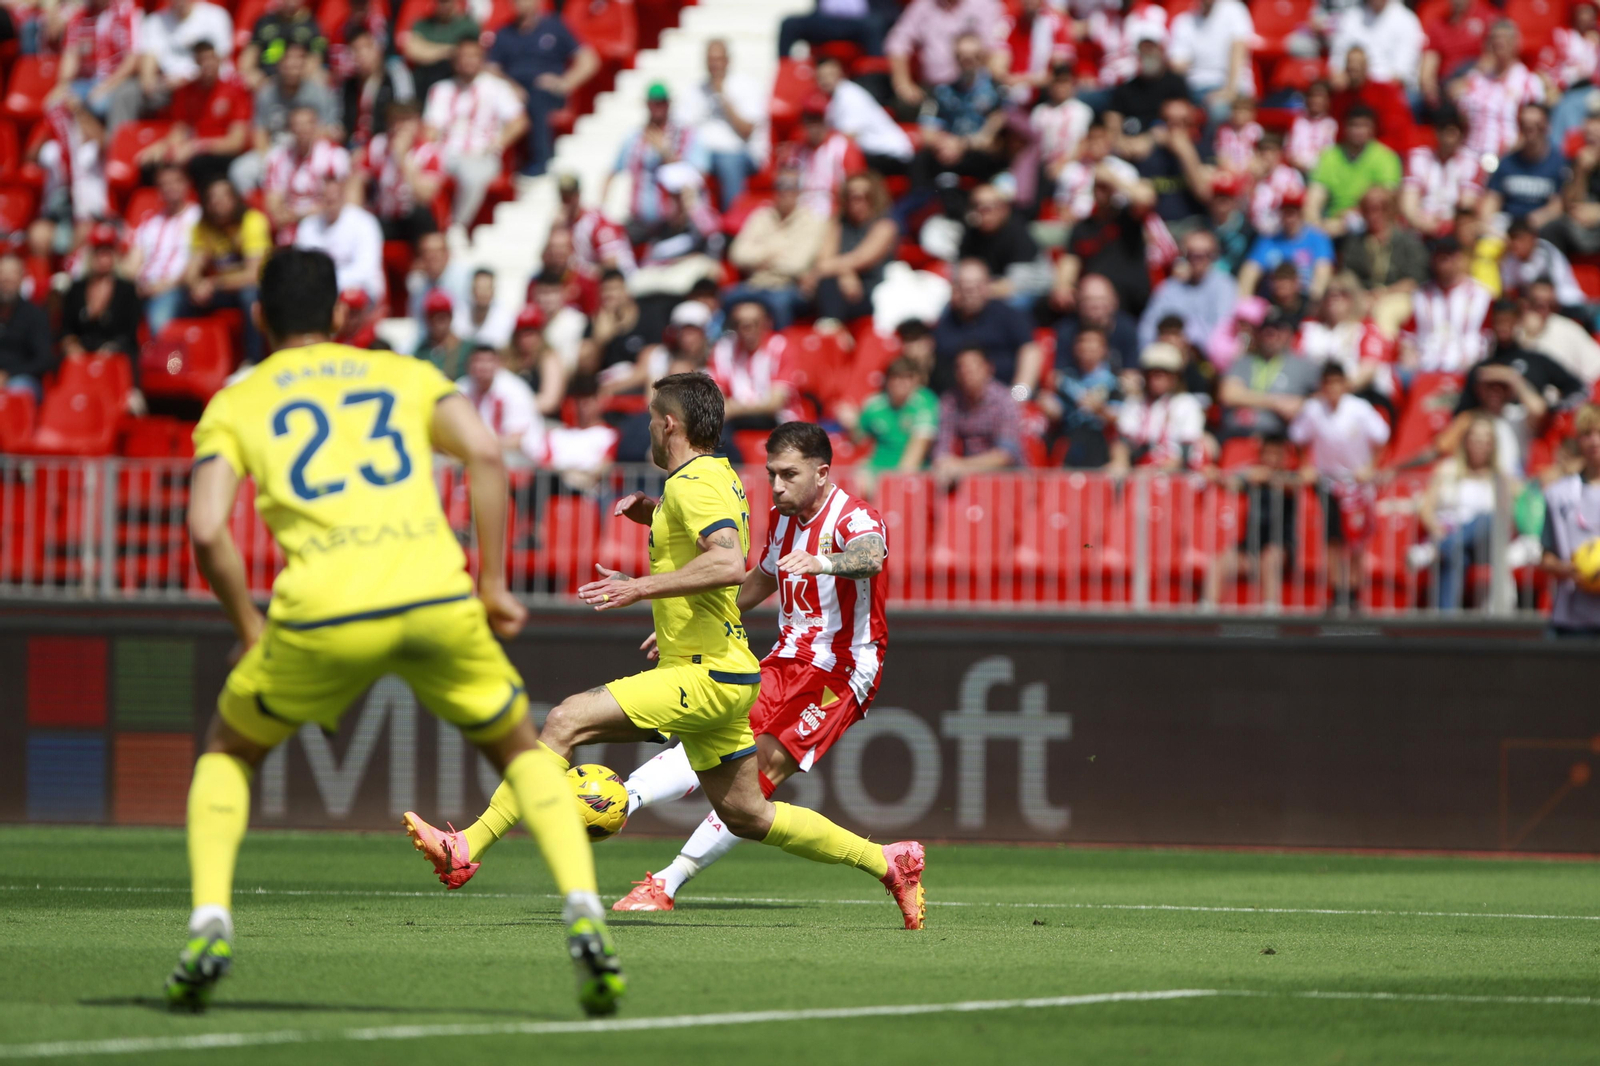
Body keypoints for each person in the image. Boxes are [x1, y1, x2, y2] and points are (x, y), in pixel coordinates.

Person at [166, 248, 622, 1016]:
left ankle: (210, 921)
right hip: (433, 595)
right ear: (342, 313)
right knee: (522, 749)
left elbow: (208, 527)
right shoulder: (401, 373)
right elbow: (486, 452)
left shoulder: (238, 400)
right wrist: (492, 583)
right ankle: (584, 910)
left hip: (322, 609)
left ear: (260, 316)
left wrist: (247, 624)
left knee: (228, 752)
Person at [404, 380, 927, 928]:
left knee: (565, 720)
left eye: (653, 418)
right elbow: (743, 572)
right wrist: (658, 521)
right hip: (740, 665)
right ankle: (888, 862)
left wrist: (639, 587)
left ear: (669, 424)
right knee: (748, 814)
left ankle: (470, 845)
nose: (775, 484)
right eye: (772, 473)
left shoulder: (819, 511)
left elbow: (746, 561)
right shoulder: (716, 481)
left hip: (778, 670)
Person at [591, 423, 890, 908]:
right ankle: (622, 799)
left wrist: (823, 563)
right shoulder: (781, 518)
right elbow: (761, 580)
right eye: (772, 474)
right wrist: (696, 621)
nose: (777, 486)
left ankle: (667, 882)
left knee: (760, 771)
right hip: (786, 658)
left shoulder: (853, 517)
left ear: (822, 473)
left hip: (843, 668)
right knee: (714, 737)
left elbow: (871, 556)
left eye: (789, 474)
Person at [1289, 360, 1391, 610]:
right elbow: (1297, 437)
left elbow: (1382, 438)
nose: (1333, 388)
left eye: (1337, 382)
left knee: (1356, 539)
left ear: (1345, 384)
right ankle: (1336, 591)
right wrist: (1306, 465)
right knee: (1333, 539)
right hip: (1328, 483)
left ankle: (1355, 592)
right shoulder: (1313, 409)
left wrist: (1370, 467)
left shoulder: (1360, 409)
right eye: (1328, 383)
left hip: (1357, 484)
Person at [423, 39, 527, 231]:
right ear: (454, 62)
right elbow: (431, 128)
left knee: (471, 176)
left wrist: (498, 142)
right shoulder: (441, 89)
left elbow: (519, 122)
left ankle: (456, 226)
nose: (468, 61)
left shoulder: (497, 88)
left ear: (482, 59)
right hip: (447, 152)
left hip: (480, 154)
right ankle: (427, 228)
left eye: (473, 56)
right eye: (463, 57)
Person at [487, 0, 598, 178]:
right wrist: (510, 86)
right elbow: (491, 68)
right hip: (512, 91)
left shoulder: (555, 27)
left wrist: (565, 83)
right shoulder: (504, 32)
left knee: (537, 97)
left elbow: (589, 60)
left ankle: (541, 161)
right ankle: (491, 161)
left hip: (546, 91)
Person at [1414, 414, 1514, 609]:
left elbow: (1506, 519)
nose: (1480, 445)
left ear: (1492, 445)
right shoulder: (1447, 470)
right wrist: (1437, 529)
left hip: (1486, 544)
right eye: (1475, 439)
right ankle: (1445, 621)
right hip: (1451, 538)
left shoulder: (1500, 478)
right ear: (1466, 441)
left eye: (1485, 440)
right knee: (1456, 554)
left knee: (1487, 518)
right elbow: (1426, 509)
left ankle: (1436, 549)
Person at [726, 168, 826, 330]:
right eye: (780, 185)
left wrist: (758, 256)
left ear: (799, 191)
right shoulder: (760, 216)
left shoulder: (812, 221)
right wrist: (775, 252)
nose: (784, 191)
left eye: (790, 186)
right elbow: (737, 254)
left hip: (789, 287)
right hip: (755, 285)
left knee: (779, 303)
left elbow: (796, 265)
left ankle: (781, 344)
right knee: (727, 298)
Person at [184, 177, 268, 364]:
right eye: (212, 197)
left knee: (249, 296)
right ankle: (195, 363)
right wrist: (196, 285)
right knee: (185, 298)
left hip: (256, 288)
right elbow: (192, 269)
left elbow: (254, 275)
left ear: (235, 198)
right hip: (223, 289)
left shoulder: (252, 221)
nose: (218, 202)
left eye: (223, 196)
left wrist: (212, 283)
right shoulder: (203, 227)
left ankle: (253, 361)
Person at [678, 38, 766, 210]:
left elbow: (746, 130)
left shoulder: (747, 85)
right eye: (710, 59)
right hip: (702, 153)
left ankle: (733, 220)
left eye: (718, 59)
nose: (714, 64)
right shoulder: (695, 90)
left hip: (738, 152)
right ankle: (694, 221)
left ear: (728, 60)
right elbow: (682, 127)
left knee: (729, 163)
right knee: (680, 167)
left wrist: (722, 96)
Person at [931, 259, 1042, 395]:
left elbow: (1029, 351)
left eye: (976, 286)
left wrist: (1019, 395)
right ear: (955, 289)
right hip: (962, 402)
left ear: (988, 286)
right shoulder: (945, 324)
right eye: (965, 286)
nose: (971, 292)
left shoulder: (1008, 316)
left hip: (1009, 396)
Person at [805, 171, 900, 325]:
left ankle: (830, 328)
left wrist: (840, 270)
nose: (857, 202)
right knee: (826, 284)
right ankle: (830, 328)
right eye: (852, 196)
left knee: (829, 284)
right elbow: (823, 260)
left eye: (865, 196)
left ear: (875, 198)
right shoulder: (838, 224)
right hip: (840, 287)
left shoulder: (885, 226)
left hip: (872, 291)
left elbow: (860, 259)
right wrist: (844, 273)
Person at [1539, 403, 1600, 635]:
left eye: (1599, 433)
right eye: (1587, 434)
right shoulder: (1559, 494)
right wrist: (1569, 569)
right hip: (1572, 619)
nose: (1594, 441)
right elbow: (1546, 557)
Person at [841, 356, 941, 495]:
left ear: (916, 381)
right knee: (854, 481)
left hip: (913, 473)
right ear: (888, 381)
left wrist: (894, 482)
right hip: (877, 468)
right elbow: (858, 439)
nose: (901, 383)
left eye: (907, 377)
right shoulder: (875, 404)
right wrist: (852, 424)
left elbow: (919, 447)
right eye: (896, 377)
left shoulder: (924, 402)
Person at [884, 0, 1010, 108]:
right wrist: (902, 84)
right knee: (905, 106)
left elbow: (998, 47)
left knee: (1003, 106)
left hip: (976, 90)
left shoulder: (986, 5)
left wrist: (996, 75)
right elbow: (897, 42)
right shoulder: (923, 6)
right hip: (934, 90)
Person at [1219, 309, 1319, 439]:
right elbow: (1228, 394)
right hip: (1237, 434)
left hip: (1277, 439)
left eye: (1278, 329)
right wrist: (1277, 403)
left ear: (1289, 333)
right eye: (1266, 329)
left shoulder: (1303, 365)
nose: (1271, 334)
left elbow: (1321, 397)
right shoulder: (1243, 360)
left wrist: (1302, 404)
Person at [126, 163, 201, 335]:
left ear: (186, 184)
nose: (170, 187)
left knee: (160, 318)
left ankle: (168, 355)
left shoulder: (198, 218)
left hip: (177, 288)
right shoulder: (150, 223)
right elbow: (132, 264)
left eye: (175, 181)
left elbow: (196, 263)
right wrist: (133, 284)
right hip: (144, 288)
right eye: (164, 184)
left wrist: (164, 286)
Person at [608, 83, 692, 236]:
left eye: (661, 102)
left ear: (668, 104)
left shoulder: (682, 135)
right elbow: (613, 171)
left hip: (671, 221)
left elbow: (692, 177)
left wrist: (666, 153)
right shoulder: (634, 137)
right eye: (654, 103)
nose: (657, 107)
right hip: (638, 220)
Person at [1111, 341, 1209, 472]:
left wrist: (1155, 471)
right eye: (1151, 374)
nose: (1155, 380)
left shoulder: (1187, 404)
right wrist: (1120, 462)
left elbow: (1186, 454)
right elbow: (1123, 442)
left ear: (1175, 377)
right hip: (1139, 470)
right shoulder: (1135, 404)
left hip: (1176, 474)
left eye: (1161, 374)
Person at [932, 347, 1023, 488]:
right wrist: (944, 463)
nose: (967, 373)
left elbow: (1006, 455)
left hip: (1007, 482)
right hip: (965, 482)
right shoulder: (950, 402)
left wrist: (961, 465)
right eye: (962, 368)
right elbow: (941, 449)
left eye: (973, 368)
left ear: (988, 368)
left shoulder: (1005, 401)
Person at [1401, 235, 1493, 374]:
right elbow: (1408, 335)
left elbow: (1489, 336)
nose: (1443, 263)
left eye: (1447, 257)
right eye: (1439, 257)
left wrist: (1477, 363)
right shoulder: (1421, 295)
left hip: (1467, 370)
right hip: (1426, 368)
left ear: (1460, 258)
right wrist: (1409, 355)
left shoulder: (1482, 296)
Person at [1306, 105, 1401, 235]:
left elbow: (1385, 201)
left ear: (1373, 129)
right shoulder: (1329, 157)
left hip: (1371, 223)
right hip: (1333, 225)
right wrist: (1316, 226)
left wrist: (1350, 215)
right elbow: (1313, 200)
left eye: (1364, 126)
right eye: (1354, 125)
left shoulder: (1386, 157)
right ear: (1345, 128)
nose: (1359, 131)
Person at [358, 102, 444, 247]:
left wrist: (402, 157)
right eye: (396, 120)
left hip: (412, 218)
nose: (401, 126)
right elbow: (357, 181)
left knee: (421, 216)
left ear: (417, 123)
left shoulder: (429, 152)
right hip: (383, 216)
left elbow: (424, 196)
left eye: (406, 120)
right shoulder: (377, 145)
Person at [293, 175, 385, 305]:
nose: (329, 203)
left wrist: (328, 280)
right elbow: (302, 268)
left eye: (333, 199)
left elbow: (366, 270)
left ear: (342, 197)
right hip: (321, 291)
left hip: (359, 291)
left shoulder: (365, 223)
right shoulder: (308, 226)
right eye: (325, 198)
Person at [1138, 229, 1236, 350]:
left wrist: (1188, 339)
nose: (1197, 261)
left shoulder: (1225, 286)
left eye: (1204, 255)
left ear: (1214, 256)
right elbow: (1147, 328)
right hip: (1166, 352)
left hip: (1204, 356)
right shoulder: (1169, 288)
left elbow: (1222, 332)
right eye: (1191, 255)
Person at [61, 223, 142, 364]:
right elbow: (66, 327)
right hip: (81, 356)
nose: (103, 258)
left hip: (116, 357)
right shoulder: (76, 289)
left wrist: (113, 348)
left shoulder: (126, 290)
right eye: (98, 252)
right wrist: (71, 344)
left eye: (107, 252)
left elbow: (131, 331)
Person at [710, 298, 794, 431]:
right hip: (734, 421)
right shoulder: (724, 348)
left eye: (754, 323)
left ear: (767, 323)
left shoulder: (780, 346)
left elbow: (775, 404)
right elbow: (717, 400)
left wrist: (734, 407)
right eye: (739, 323)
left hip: (775, 419)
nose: (746, 329)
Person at [1166, 0, 1257, 122]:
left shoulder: (1234, 10)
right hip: (1196, 90)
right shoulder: (1184, 21)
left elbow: (1238, 52)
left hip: (1235, 87)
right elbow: (1178, 65)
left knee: (1220, 111)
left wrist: (1230, 91)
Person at [1236, 188, 1334, 301]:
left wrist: (1313, 303)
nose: (1290, 217)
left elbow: (1322, 273)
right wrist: (1244, 303)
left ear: (1302, 212)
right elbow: (1249, 273)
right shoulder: (1268, 241)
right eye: (1286, 212)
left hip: (1304, 301)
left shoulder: (1318, 239)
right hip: (1272, 303)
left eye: (1294, 211)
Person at [1045, 325, 1121, 467]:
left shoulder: (1114, 382)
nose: (1087, 346)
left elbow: (1119, 417)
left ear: (1104, 349)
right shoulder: (1064, 379)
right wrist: (1047, 404)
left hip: (1100, 443)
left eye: (1093, 342)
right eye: (1082, 341)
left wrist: (1098, 408)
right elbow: (1057, 411)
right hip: (1069, 441)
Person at [1401, 106, 1483, 237]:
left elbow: (1467, 205)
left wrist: (1444, 225)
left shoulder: (1471, 162)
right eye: (1443, 130)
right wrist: (1421, 223)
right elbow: (1408, 204)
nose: (1447, 137)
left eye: (1452, 132)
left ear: (1461, 134)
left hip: (1455, 231)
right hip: (1420, 227)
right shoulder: (1419, 157)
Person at [457, 343, 544, 466]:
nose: (483, 366)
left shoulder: (514, 389)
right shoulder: (462, 388)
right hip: (479, 456)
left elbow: (516, 441)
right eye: (478, 361)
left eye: (488, 361)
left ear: (498, 364)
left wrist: (479, 443)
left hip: (521, 460)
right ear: (468, 365)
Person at [1483, 103, 1567, 225]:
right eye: (1525, 125)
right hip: (1508, 225)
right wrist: (1488, 223)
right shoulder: (1507, 162)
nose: (1530, 131)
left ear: (1547, 126)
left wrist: (1534, 221)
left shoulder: (1558, 163)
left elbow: (1558, 206)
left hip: (1541, 227)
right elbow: (1491, 200)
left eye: (1536, 125)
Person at [957, 184, 1043, 301]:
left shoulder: (1017, 232)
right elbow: (961, 270)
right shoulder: (970, 233)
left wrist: (979, 290)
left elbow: (1017, 283)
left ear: (1004, 209)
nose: (983, 211)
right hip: (985, 291)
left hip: (1028, 292)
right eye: (976, 205)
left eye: (989, 207)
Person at [1330, 0, 1424, 96]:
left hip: (1392, 92)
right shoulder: (1351, 17)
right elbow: (1338, 60)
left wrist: (1374, 90)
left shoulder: (1407, 20)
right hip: (1354, 88)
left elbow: (1402, 74)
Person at [0, 253, 56, 403]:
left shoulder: (35, 315)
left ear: (21, 278)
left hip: (21, 378)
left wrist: (8, 374)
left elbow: (44, 360)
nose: (6, 279)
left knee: (17, 389)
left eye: (12, 273)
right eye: (2, 273)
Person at [401, 0, 480, 103]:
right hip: (424, 81)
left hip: (455, 81)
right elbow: (412, 51)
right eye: (441, 2)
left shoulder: (467, 26)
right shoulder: (423, 25)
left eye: (447, 2)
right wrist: (449, 50)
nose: (444, 5)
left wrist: (427, 48)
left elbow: (469, 52)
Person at [414, 289, 472, 378]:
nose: (437, 323)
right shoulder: (421, 351)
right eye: (432, 317)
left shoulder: (467, 350)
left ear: (451, 317)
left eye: (442, 317)